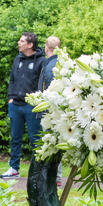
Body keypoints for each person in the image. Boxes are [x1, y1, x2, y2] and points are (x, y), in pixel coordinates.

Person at [1, 32, 46, 179]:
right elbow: (12, 79)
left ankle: (37, 171)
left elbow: (43, 82)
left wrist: (38, 100)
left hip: (32, 106)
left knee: (35, 138)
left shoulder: (41, 61)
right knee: (15, 138)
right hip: (16, 104)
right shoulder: (17, 59)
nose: (18, 43)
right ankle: (14, 169)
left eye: (21, 41)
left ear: (30, 44)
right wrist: (10, 98)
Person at [38, 35, 62, 185]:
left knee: (51, 141)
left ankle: (54, 177)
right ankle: (56, 176)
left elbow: (47, 89)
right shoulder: (63, 63)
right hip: (60, 110)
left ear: (46, 48)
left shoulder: (49, 66)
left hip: (50, 111)